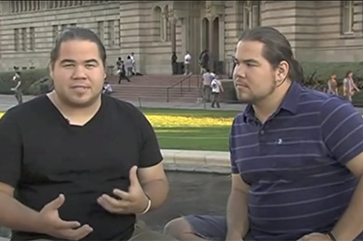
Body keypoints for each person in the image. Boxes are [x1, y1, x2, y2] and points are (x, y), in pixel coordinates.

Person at [164, 26, 363, 241]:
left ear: (280, 71)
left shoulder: (328, 113)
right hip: (260, 232)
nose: (238, 73)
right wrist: (234, 235)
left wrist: (335, 238)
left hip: (316, 235)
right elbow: (240, 191)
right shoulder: (241, 124)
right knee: (177, 230)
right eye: (237, 63)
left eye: (250, 64)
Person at [0, 27, 177, 241]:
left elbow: (156, 180)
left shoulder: (131, 119)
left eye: (90, 65)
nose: (79, 74)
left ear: (104, 71)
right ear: (52, 70)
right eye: (68, 65)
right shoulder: (17, 123)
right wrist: (39, 223)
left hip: (127, 236)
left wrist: (145, 202)